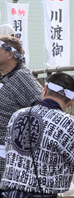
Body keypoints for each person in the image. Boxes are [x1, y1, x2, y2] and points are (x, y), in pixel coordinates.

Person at [0, 36, 43, 177]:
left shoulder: (22, 77)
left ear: (10, 54)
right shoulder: (5, 76)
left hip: (11, 154)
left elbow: (43, 108)